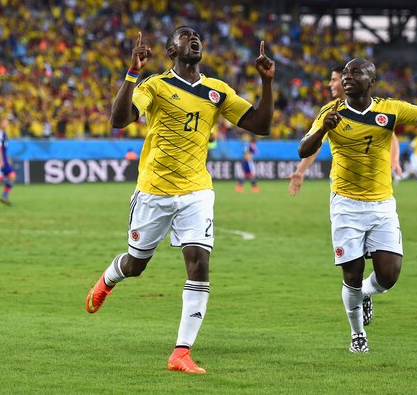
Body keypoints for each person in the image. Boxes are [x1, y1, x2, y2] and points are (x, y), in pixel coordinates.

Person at [85, 27, 275, 373]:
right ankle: (110, 278)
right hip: (153, 191)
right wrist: (132, 73)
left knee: (199, 264)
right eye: (185, 36)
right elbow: (118, 120)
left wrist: (266, 83)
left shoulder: (217, 91)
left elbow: (260, 125)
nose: (194, 38)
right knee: (136, 265)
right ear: (171, 50)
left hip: (196, 192)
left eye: (197, 35)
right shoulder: (155, 85)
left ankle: (181, 353)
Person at [298, 58, 417, 352]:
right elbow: (303, 148)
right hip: (346, 205)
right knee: (351, 274)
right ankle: (357, 335)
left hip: (381, 205)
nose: (347, 77)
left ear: (372, 80)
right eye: (345, 73)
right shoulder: (330, 111)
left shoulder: (390, 108)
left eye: (356, 72)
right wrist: (322, 130)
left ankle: (368, 292)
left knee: (389, 275)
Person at [288, 65, 402, 196]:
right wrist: (300, 171)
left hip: (374, 184)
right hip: (343, 186)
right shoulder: (330, 111)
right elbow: (315, 143)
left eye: (334, 79)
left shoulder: (372, 107)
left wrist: (394, 160)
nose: (330, 84)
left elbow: (390, 136)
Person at [0, 117, 15, 206]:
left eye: (7, 122)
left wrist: (7, 158)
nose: (6, 124)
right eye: (4, 122)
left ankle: (4, 196)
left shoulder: (4, 134)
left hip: (3, 159)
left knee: (12, 176)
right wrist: (1, 160)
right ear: (0, 123)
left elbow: (3, 149)